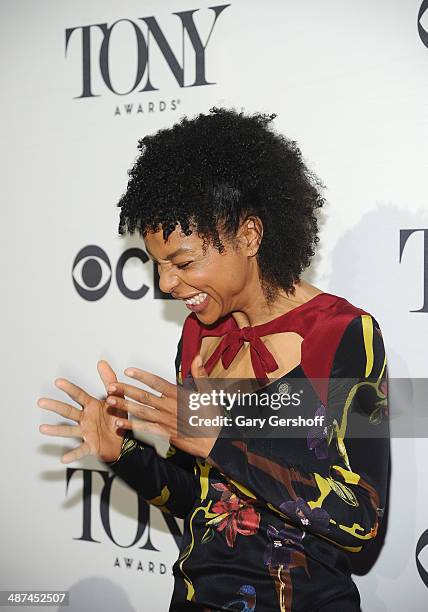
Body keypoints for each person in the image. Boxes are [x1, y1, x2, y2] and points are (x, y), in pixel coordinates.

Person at [38, 107, 390, 611]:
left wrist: (220, 442)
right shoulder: (199, 338)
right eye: (158, 265)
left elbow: (361, 522)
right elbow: (191, 500)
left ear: (249, 236)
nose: (166, 284)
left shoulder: (342, 335)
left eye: (182, 263)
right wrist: (123, 455)